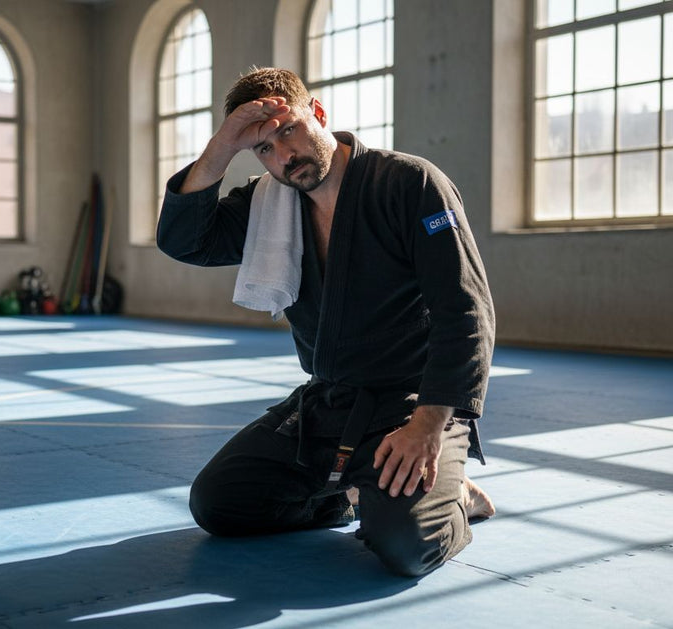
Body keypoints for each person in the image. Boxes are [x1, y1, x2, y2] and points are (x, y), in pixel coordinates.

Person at [156, 68, 496, 577]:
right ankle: (356, 495)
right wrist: (223, 147)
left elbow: (465, 312)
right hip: (330, 401)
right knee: (219, 503)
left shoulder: (408, 182)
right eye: (263, 149)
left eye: (287, 130)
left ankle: (457, 497)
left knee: (406, 545)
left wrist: (428, 427)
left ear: (316, 112)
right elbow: (186, 241)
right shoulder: (267, 205)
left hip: (413, 404)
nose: (283, 156)